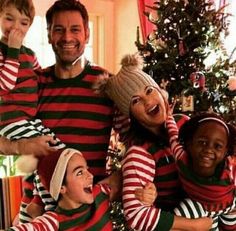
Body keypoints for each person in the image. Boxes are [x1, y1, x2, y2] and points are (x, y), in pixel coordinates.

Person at [0, 0, 156, 224]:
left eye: (75, 29)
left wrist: (121, 178)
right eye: (59, 30)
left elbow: (136, 142)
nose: (67, 38)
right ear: (49, 35)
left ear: (87, 34)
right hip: (36, 212)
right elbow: (6, 129)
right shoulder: (33, 83)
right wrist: (20, 146)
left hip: (89, 213)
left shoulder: (107, 85)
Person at [93, 52, 213, 231]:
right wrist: (194, 225)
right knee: (195, 210)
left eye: (149, 90)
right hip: (180, 220)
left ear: (159, 91)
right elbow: (136, 215)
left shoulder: (184, 123)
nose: (148, 101)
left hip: (209, 206)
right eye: (136, 101)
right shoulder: (140, 152)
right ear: (131, 115)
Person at [0, 0, 64, 155]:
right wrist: (13, 50)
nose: (16, 27)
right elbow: (5, 85)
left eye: (23, 23)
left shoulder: (30, 55)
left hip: (30, 118)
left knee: (58, 147)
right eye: (9, 19)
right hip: (10, 119)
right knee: (50, 150)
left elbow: (41, 81)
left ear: (29, 26)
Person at [6, 148, 117, 230]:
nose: (91, 176)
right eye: (79, 173)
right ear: (61, 187)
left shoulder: (100, 193)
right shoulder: (53, 221)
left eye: (87, 169)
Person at [166, 111, 236, 230]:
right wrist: (168, 117)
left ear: (225, 152)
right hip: (202, 210)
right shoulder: (181, 158)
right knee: (185, 209)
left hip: (229, 208)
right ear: (189, 144)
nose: (208, 149)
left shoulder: (230, 169)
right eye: (202, 142)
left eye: (217, 146)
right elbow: (173, 135)